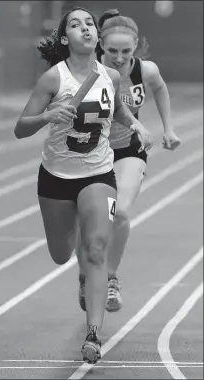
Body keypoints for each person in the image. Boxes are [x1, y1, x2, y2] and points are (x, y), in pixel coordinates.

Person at [14, 7, 151, 363]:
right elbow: (20, 127)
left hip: (98, 173)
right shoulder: (53, 79)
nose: (85, 28)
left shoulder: (109, 75)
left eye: (89, 23)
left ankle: (93, 335)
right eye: (76, 24)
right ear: (65, 38)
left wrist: (135, 124)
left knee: (94, 250)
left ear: (97, 35)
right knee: (62, 254)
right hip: (57, 178)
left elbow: (117, 111)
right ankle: (77, 232)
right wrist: (47, 116)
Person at [77, 8, 181, 313]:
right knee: (87, 223)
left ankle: (109, 279)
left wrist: (169, 129)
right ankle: (86, 277)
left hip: (128, 151)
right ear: (101, 47)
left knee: (119, 213)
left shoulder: (145, 71)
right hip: (90, 152)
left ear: (136, 47)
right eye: (112, 51)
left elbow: (160, 88)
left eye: (126, 51)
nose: (120, 58)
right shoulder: (86, 70)